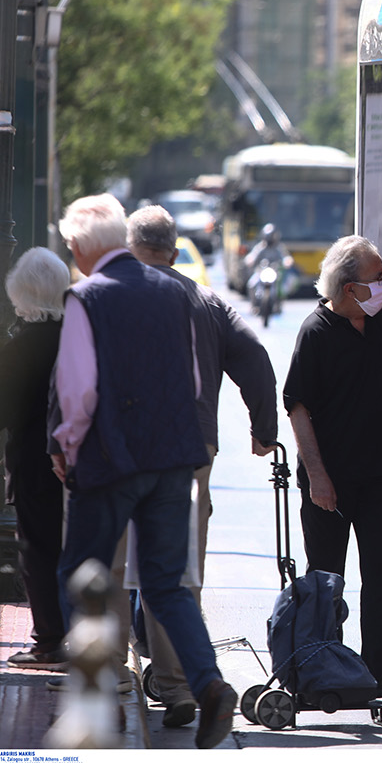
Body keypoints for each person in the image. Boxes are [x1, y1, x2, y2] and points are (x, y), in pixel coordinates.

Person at [49, 193, 238, 749]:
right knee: (167, 585)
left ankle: (95, 697)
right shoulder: (175, 291)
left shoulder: (86, 296)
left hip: (110, 461)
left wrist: (65, 446)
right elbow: (196, 383)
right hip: (174, 458)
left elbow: (78, 392)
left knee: (82, 574)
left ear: (84, 246)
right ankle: (207, 684)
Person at [126, 205, 279, 729]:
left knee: (110, 560)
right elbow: (255, 357)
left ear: (131, 248)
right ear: (174, 251)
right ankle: (178, 685)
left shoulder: (108, 294)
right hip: (191, 448)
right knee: (177, 568)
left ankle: (115, 677)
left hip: (120, 450)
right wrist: (264, 429)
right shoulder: (206, 300)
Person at [282, 235, 382, 697]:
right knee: (327, 579)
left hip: (380, 471)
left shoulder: (380, 317)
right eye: (378, 278)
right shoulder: (315, 332)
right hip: (332, 480)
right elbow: (297, 407)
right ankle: (324, 671)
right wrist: (319, 478)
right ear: (350, 288)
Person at [0, 247, 71, 670]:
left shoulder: (22, 346)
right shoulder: (74, 336)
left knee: (37, 551)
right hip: (76, 458)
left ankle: (49, 643)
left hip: (35, 462)